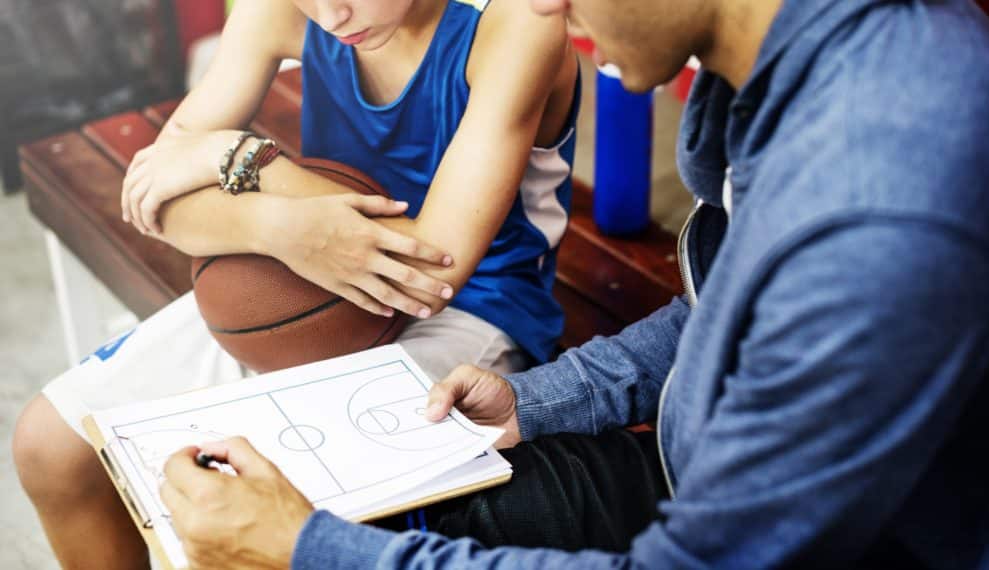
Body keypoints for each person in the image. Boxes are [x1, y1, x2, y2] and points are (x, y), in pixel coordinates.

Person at [148, 0, 989, 567]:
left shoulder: (882, 213)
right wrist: (541, 402)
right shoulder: (820, 61)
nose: (544, 9)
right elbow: (739, 304)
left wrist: (307, 549)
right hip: (704, 461)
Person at [12, 0, 580, 567]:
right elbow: (156, 198)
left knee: (260, 513)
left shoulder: (515, 24)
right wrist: (275, 227)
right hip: (302, 278)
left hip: (470, 309)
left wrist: (243, 161)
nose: (330, 14)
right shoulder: (280, 11)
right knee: (51, 445)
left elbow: (432, 267)